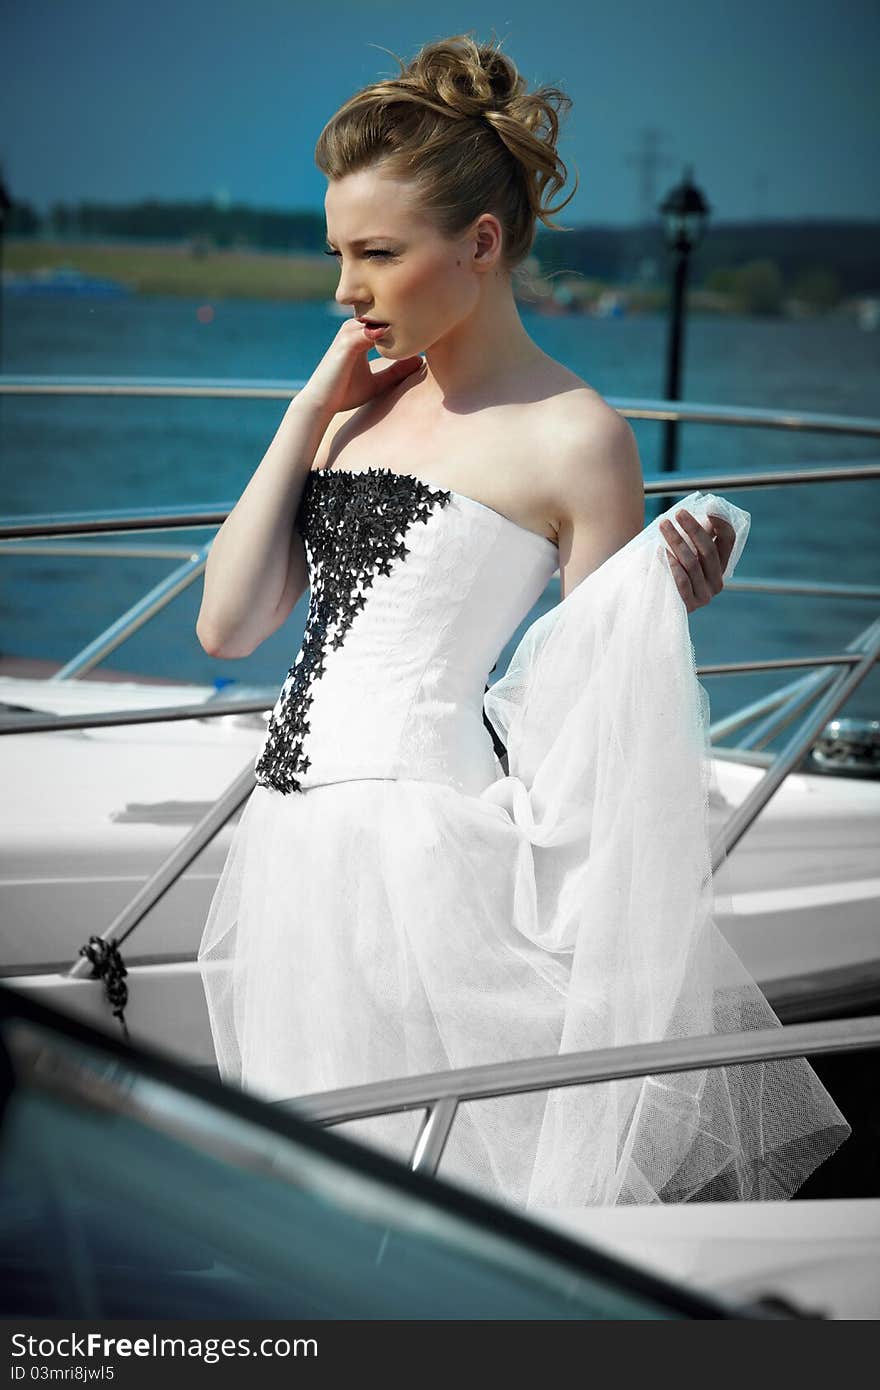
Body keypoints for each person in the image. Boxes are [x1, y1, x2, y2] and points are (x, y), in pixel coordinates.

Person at [196, 34, 850, 1209]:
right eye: (338, 253)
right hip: (288, 846)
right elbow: (228, 626)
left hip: (419, 858)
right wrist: (307, 409)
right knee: (310, 1201)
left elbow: (585, 711)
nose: (346, 290)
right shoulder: (355, 411)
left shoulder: (573, 436)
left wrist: (654, 605)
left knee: (422, 1202)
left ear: (480, 244)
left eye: (377, 254)